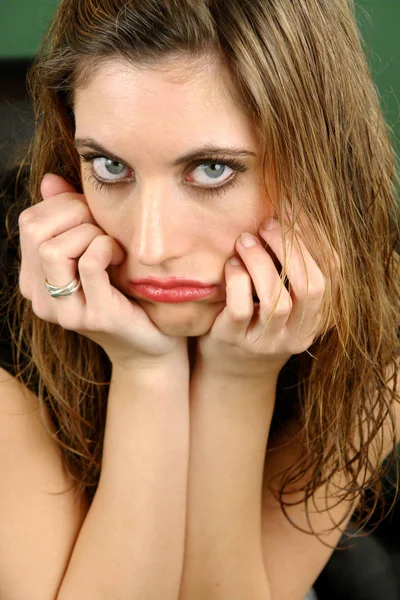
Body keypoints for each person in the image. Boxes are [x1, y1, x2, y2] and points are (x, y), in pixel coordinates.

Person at [0, 0, 399, 598]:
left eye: (212, 169)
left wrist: (240, 380)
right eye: (109, 166)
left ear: (316, 163)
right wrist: (147, 368)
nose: (151, 244)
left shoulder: (381, 301)